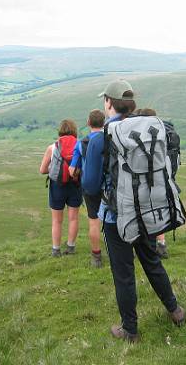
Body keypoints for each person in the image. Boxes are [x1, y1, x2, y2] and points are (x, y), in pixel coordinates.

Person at [83, 79, 186, 343]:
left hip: (116, 217)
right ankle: (175, 311)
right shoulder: (149, 128)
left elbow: (91, 185)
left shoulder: (102, 136)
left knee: (124, 273)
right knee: (151, 260)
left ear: (109, 102)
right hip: (146, 209)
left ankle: (130, 329)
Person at [39, 119, 83, 257]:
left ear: (60, 131)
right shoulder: (80, 145)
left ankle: (56, 250)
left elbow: (42, 170)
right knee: (73, 218)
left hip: (57, 185)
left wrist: (56, 171)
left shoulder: (52, 147)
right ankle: (70, 247)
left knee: (57, 220)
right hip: (75, 184)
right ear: (74, 131)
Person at [68, 109, 106, 268]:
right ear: (103, 123)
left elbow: (71, 170)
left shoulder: (81, 143)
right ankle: (124, 251)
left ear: (88, 123)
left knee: (94, 221)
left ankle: (96, 257)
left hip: (90, 186)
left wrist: (78, 174)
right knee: (117, 218)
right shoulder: (109, 139)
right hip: (110, 184)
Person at [132, 108, 170, 259]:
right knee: (158, 211)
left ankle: (142, 246)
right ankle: (161, 245)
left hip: (146, 180)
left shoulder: (143, 136)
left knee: (143, 212)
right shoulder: (163, 133)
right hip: (163, 180)